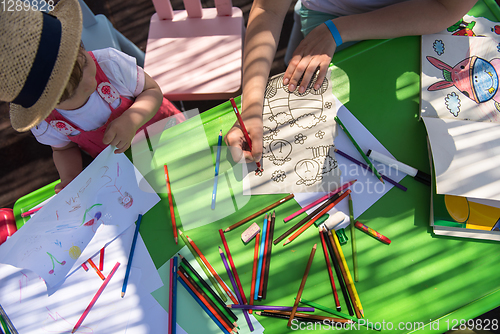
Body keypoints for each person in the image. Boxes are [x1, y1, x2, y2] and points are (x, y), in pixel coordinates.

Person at [224, 0, 478, 164]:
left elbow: (446, 8)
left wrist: (338, 30)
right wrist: (252, 107)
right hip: (328, 11)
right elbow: (269, 8)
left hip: (415, 13)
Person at [1, 0, 183, 193]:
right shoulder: (47, 122)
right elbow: (63, 149)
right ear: (47, 104)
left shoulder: (110, 65)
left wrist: (132, 119)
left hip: (168, 133)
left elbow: (152, 91)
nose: (90, 83)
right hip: (127, 168)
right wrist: (71, 178)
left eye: (84, 61)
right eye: (75, 89)